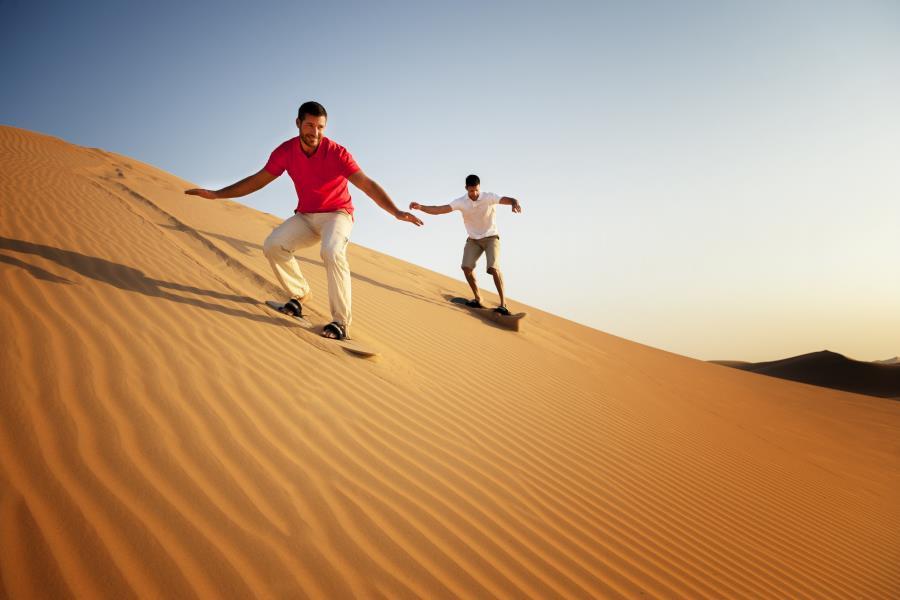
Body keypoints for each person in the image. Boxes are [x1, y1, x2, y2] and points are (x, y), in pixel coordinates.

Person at [185, 101, 422, 340]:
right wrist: (217, 194)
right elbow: (257, 180)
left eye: (320, 127)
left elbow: (366, 183)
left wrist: (395, 211)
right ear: (298, 124)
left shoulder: (337, 153)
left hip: (338, 214)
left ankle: (340, 323)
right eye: (309, 125)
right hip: (307, 216)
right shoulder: (285, 152)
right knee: (273, 245)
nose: (315, 132)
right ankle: (299, 297)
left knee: (331, 252)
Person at [409, 174, 521, 314]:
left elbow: (507, 199)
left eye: (476, 190)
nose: (474, 193)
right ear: (466, 188)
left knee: (493, 268)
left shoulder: (488, 197)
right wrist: (421, 207)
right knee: (466, 267)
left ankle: (503, 304)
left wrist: (514, 202)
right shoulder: (461, 202)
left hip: (491, 237)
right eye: (471, 191)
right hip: (473, 240)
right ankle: (478, 299)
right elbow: (439, 210)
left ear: (479, 187)